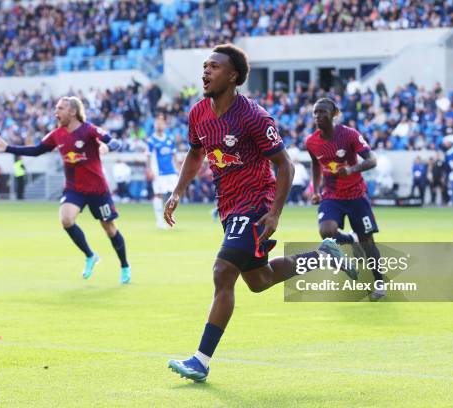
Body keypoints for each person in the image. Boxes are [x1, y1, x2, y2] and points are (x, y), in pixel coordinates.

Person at [163, 44, 352, 383]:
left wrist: (275, 213)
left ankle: (200, 361)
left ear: (233, 76)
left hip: (256, 202)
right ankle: (324, 255)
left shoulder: (253, 115)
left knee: (223, 272)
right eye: (204, 66)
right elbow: (196, 154)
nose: (206, 72)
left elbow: (286, 166)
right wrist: (178, 192)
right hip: (228, 206)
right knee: (259, 280)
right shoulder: (198, 114)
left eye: (214, 67)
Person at [0, 96, 131, 284]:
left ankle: (125, 266)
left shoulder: (89, 130)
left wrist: (106, 147)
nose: (56, 112)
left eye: (60, 108)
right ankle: (90, 255)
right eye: (56, 108)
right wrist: (7, 149)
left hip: (97, 189)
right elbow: (37, 150)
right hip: (74, 189)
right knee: (66, 219)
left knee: (109, 228)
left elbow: (115, 142)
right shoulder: (57, 134)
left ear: (73, 111)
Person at [305, 98, 385, 298]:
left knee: (368, 243)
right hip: (331, 195)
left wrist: (352, 169)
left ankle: (380, 284)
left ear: (334, 114)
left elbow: (372, 160)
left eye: (322, 112)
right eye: (315, 112)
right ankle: (350, 239)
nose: (318, 116)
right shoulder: (311, 142)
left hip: (356, 195)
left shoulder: (349, 135)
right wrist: (315, 190)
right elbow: (316, 164)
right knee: (326, 230)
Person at [146, 114, 178, 229]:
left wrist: (178, 168)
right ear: (155, 125)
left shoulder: (170, 138)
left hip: (171, 172)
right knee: (158, 195)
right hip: (158, 173)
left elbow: (174, 155)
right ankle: (159, 220)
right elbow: (148, 156)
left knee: (174, 196)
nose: (159, 125)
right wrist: (149, 169)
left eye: (161, 123)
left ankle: (170, 217)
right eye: (157, 123)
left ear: (165, 125)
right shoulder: (151, 140)